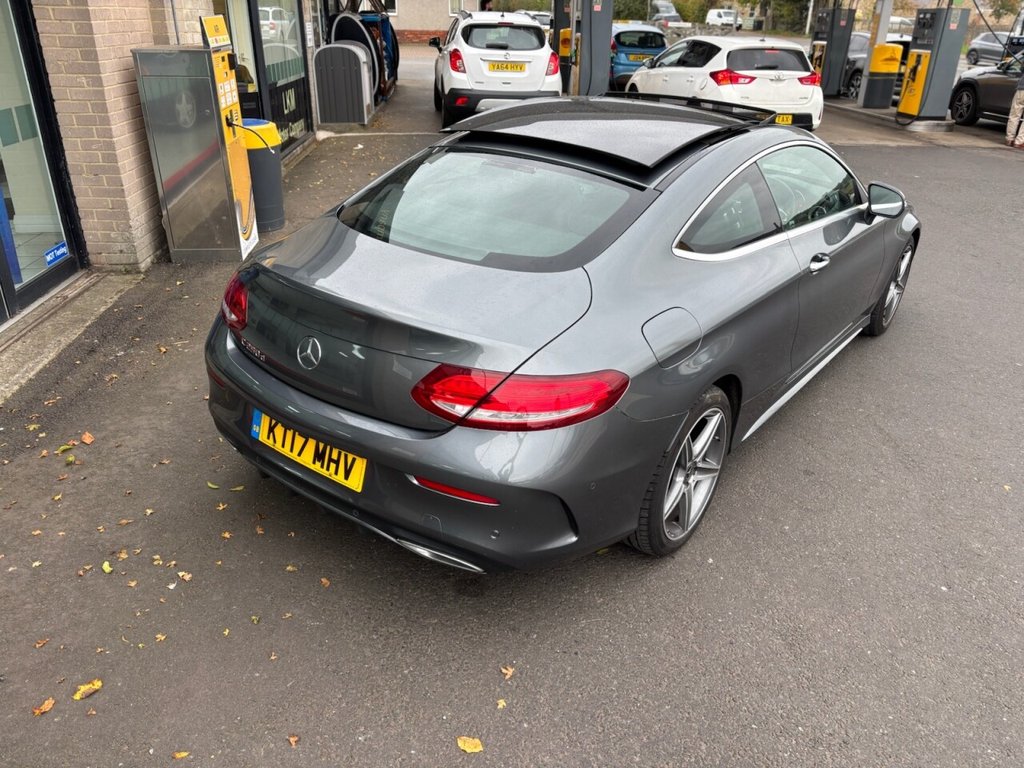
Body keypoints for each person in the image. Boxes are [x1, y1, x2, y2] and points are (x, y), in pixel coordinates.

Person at [1007, 58, 1024, 149]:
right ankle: (1019, 141)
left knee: (1014, 115)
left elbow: (1021, 69)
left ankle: (1010, 139)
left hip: (1021, 88)